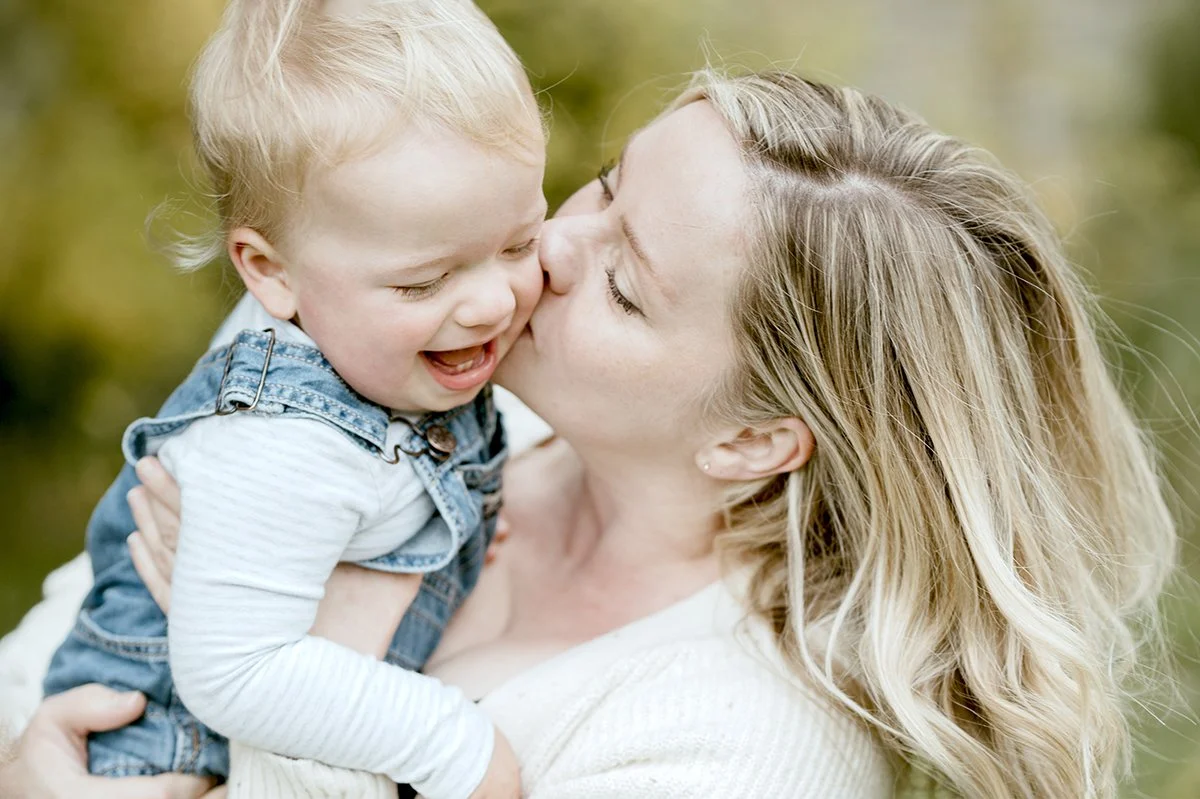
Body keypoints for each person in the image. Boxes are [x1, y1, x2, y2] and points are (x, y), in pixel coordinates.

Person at [1, 67, 1177, 798]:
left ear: (756, 438)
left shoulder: (737, 753)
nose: (550, 251)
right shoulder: (413, 388)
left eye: (626, 288)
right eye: (606, 186)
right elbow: (52, 651)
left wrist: (318, 666)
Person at [36, 0, 545, 796]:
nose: (491, 303)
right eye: (423, 279)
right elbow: (236, 671)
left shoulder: (374, 328)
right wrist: (459, 747)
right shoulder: (280, 442)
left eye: (520, 243)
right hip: (162, 757)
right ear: (272, 273)